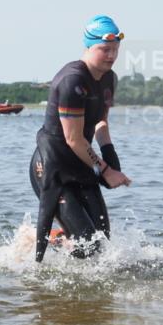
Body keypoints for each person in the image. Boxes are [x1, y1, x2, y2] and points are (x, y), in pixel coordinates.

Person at [30, 15, 132, 262]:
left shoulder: (109, 78)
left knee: (102, 241)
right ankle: (43, 238)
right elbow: (74, 139)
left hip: (80, 163)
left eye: (115, 50)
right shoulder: (73, 80)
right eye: (104, 49)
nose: (111, 56)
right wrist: (106, 170)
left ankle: (65, 246)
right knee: (87, 242)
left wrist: (111, 159)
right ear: (88, 46)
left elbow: (100, 123)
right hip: (51, 166)